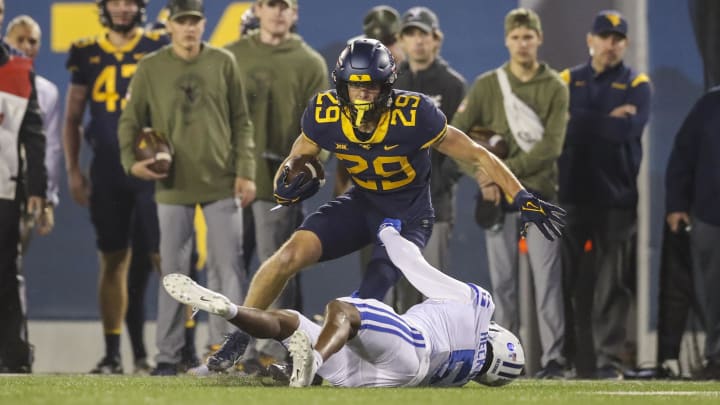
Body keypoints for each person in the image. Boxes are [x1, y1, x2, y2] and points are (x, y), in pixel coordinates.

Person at [242, 39, 565, 324]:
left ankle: (320, 356)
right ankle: (237, 339)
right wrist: (288, 175)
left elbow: (477, 154)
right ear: (342, 85)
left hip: (407, 217)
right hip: (362, 203)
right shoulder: (324, 111)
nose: (364, 93)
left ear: (387, 87)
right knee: (287, 257)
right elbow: (300, 154)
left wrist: (520, 195)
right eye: (356, 85)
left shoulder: (414, 113)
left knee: (366, 297)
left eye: (372, 86)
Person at [162, 219, 526, 387]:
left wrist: (389, 235)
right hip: (394, 379)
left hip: (414, 343)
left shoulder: (480, 305)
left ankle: (310, 361)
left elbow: (417, 270)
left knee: (345, 310)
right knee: (292, 323)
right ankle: (234, 313)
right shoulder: (465, 377)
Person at [118, 0, 256, 376]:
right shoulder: (151, 67)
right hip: (172, 184)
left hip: (221, 181)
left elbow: (242, 122)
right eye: (182, 22)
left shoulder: (223, 62)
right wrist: (133, 162)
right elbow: (130, 121)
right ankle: (168, 355)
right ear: (170, 26)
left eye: (194, 21)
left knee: (228, 268)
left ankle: (227, 352)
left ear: (202, 23)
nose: (189, 28)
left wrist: (245, 171)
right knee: (174, 272)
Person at [204, 0, 327, 372]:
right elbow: (210, 116)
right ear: (257, 9)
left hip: (279, 186)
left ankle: (274, 348)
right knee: (225, 268)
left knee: (278, 268)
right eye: (270, 4)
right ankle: (223, 348)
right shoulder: (229, 57)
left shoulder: (310, 63)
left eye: (284, 5)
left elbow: (325, 128)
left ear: (295, 12)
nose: (277, 12)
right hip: (229, 181)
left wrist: (306, 173)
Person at [451, 8, 568, 378]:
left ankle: (554, 361)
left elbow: (551, 146)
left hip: (540, 197)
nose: (522, 43)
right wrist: (482, 176)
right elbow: (454, 138)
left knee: (546, 282)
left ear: (539, 39)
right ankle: (509, 359)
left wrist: (502, 173)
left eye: (528, 36)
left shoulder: (555, 87)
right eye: (516, 37)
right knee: (502, 285)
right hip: (497, 203)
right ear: (507, 40)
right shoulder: (487, 85)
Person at [63, 0, 168, 374]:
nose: (122, 9)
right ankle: (111, 354)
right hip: (108, 169)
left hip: (152, 168)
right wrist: (74, 170)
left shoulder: (159, 45)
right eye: (116, 2)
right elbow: (73, 116)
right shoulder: (86, 52)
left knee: (165, 258)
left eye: (130, 2)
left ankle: (176, 350)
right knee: (112, 260)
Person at [558, 10, 651, 379]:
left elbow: (627, 132)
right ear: (590, 40)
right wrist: (608, 119)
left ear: (625, 43)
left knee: (613, 285)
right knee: (564, 283)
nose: (610, 45)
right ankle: (561, 362)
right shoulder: (567, 79)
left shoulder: (638, 83)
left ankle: (608, 362)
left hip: (617, 200)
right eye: (604, 37)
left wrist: (579, 119)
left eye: (617, 39)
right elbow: (559, 130)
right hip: (571, 195)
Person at [391, 6, 465, 313]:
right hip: (394, 205)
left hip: (435, 205)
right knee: (399, 289)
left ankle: (438, 359)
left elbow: (463, 149)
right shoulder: (390, 84)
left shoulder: (452, 85)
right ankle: (402, 360)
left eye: (423, 34)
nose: (417, 41)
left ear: (437, 39)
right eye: (411, 34)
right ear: (401, 41)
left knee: (434, 290)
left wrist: (437, 184)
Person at [0, 0, 47, 371]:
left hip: (4, 188)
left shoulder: (17, 71)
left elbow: (34, 135)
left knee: (5, 273)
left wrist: (37, 191)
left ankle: (14, 361)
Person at [665, 87, 720, 380]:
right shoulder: (709, 105)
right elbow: (683, 155)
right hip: (712, 216)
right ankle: (717, 357)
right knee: (714, 293)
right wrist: (676, 205)